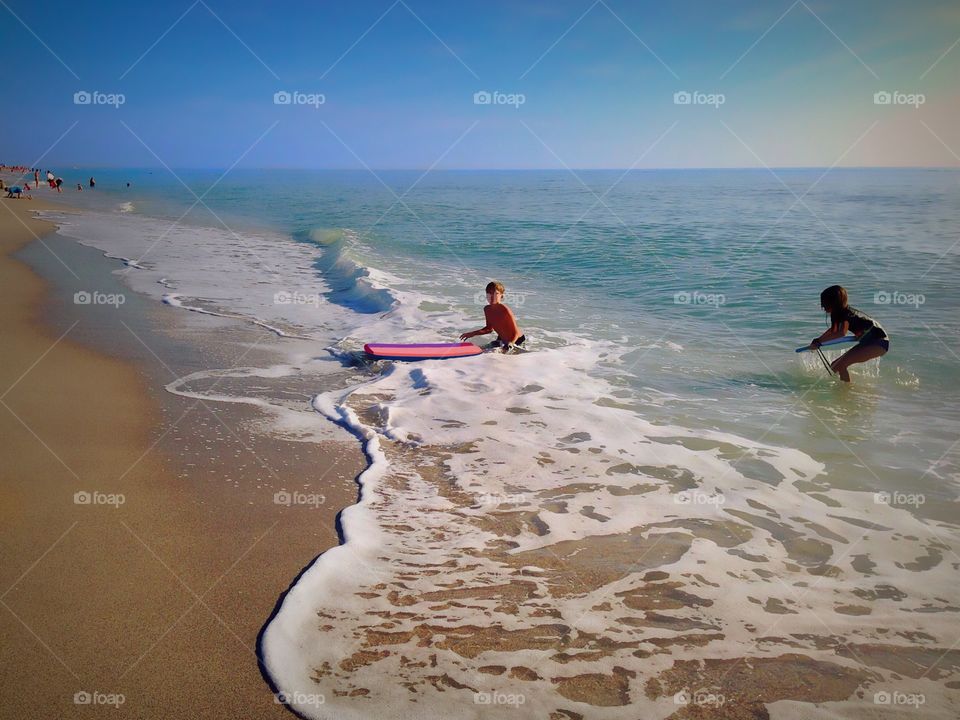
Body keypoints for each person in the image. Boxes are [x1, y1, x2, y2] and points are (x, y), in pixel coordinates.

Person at [809, 285, 888, 382]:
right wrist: (817, 340)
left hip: (878, 342)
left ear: (833, 303)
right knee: (834, 366)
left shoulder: (846, 314)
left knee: (840, 365)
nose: (823, 307)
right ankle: (846, 392)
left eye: (824, 303)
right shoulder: (840, 314)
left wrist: (819, 342)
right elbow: (833, 330)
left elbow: (841, 333)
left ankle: (845, 391)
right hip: (870, 342)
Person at [460, 281, 525, 353]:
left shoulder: (504, 309)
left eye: (496, 293)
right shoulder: (487, 309)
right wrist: (471, 334)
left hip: (516, 340)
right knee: (484, 349)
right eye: (489, 293)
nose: (491, 296)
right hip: (502, 339)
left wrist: (511, 344)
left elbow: (515, 333)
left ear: (501, 296)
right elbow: (489, 329)